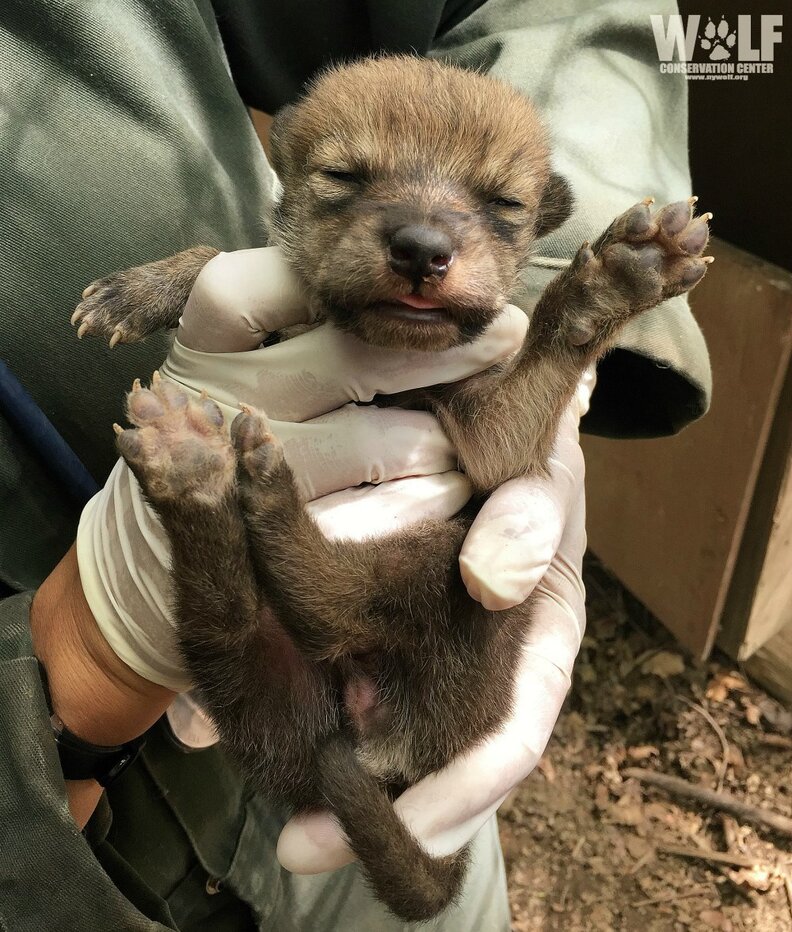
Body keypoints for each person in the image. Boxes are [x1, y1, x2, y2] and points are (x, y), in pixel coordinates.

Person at [0, 1, 711, 929]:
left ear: (543, 226)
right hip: (83, 798)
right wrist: (91, 649)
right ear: (288, 181)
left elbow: (494, 455)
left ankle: (212, 507)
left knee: (450, 546)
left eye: (496, 209)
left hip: (411, 720)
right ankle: (205, 513)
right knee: (235, 622)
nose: (424, 241)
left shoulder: (492, 318)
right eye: (343, 179)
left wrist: (561, 331)